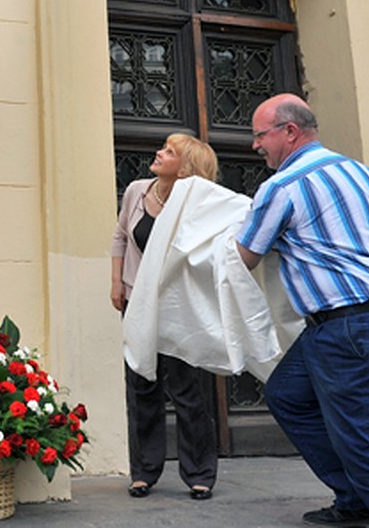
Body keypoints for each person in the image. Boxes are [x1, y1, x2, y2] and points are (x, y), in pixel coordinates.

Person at [236, 94, 369, 527]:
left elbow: (244, 257)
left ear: (289, 132)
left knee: (366, 447)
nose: (254, 145)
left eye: (259, 135)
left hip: (346, 331)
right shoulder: (359, 171)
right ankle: (355, 496)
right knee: (287, 394)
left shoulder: (282, 187)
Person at [111, 133, 219, 501]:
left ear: (186, 168)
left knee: (188, 389)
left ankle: (199, 473)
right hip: (137, 301)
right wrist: (117, 284)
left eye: (169, 152)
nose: (159, 152)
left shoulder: (198, 204)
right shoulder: (138, 191)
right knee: (141, 383)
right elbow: (121, 237)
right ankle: (144, 472)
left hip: (179, 307)